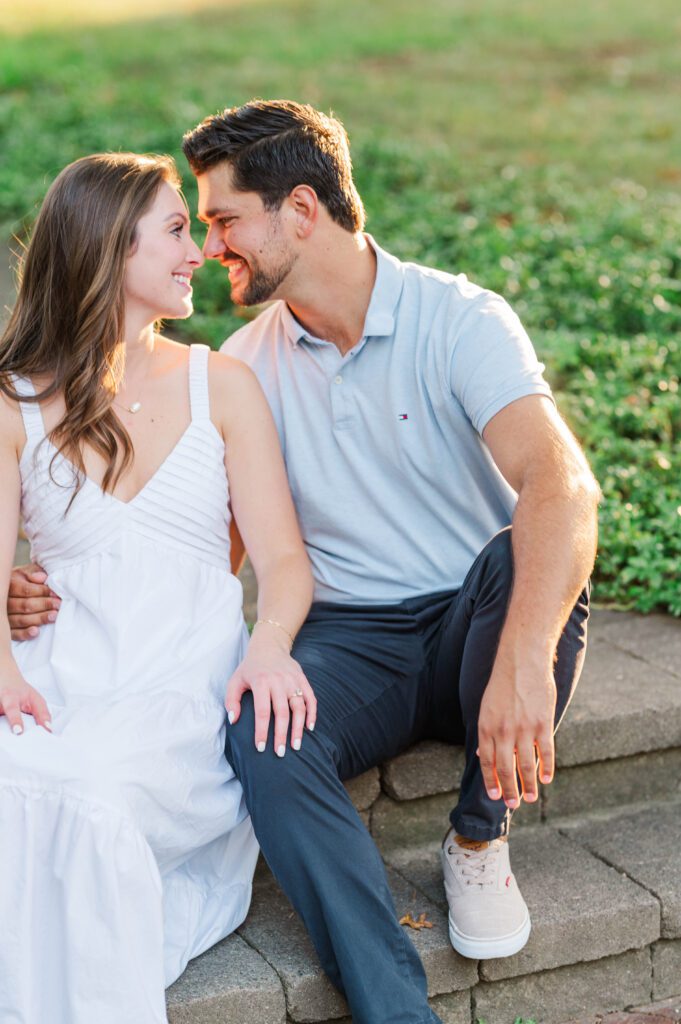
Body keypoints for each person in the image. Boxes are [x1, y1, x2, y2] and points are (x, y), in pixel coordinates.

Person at [10, 102, 600, 1024]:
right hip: (354, 640)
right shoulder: (245, 361)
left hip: (468, 621)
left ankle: (479, 837)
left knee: (531, 551)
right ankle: (396, 1010)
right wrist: (61, 576)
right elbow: (205, 537)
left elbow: (564, 490)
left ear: (299, 210)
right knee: (262, 732)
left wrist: (523, 661)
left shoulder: (459, 320)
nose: (212, 247)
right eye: (194, 226)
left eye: (221, 219)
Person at [0, 151, 314, 1024]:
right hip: (60, 674)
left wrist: (269, 647)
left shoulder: (224, 385)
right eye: (177, 230)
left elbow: (284, 562)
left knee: (87, 795)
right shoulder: (16, 404)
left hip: (179, 689)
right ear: (107, 248)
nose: (197, 252)